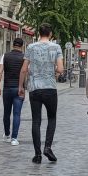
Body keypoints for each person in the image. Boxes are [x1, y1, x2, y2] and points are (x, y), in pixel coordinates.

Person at [18, 24, 64, 164]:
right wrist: (52, 73)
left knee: (36, 121)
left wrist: (20, 86)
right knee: (52, 118)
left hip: (35, 88)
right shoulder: (56, 47)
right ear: (50, 34)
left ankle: (37, 154)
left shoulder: (31, 47)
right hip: (50, 88)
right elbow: (60, 69)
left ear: (39, 33)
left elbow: (24, 69)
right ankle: (47, 147)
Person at [0, 38, 26, 145]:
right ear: (22, 46)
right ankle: (14, 138)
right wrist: (23, 87)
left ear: (13, 45)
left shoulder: (5, 56)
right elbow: (25, 72)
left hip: (7, 88)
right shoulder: (24, 57)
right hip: (19, 89)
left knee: (6, 113)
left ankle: (7, 135)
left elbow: (0, 72)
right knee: (17, 114)